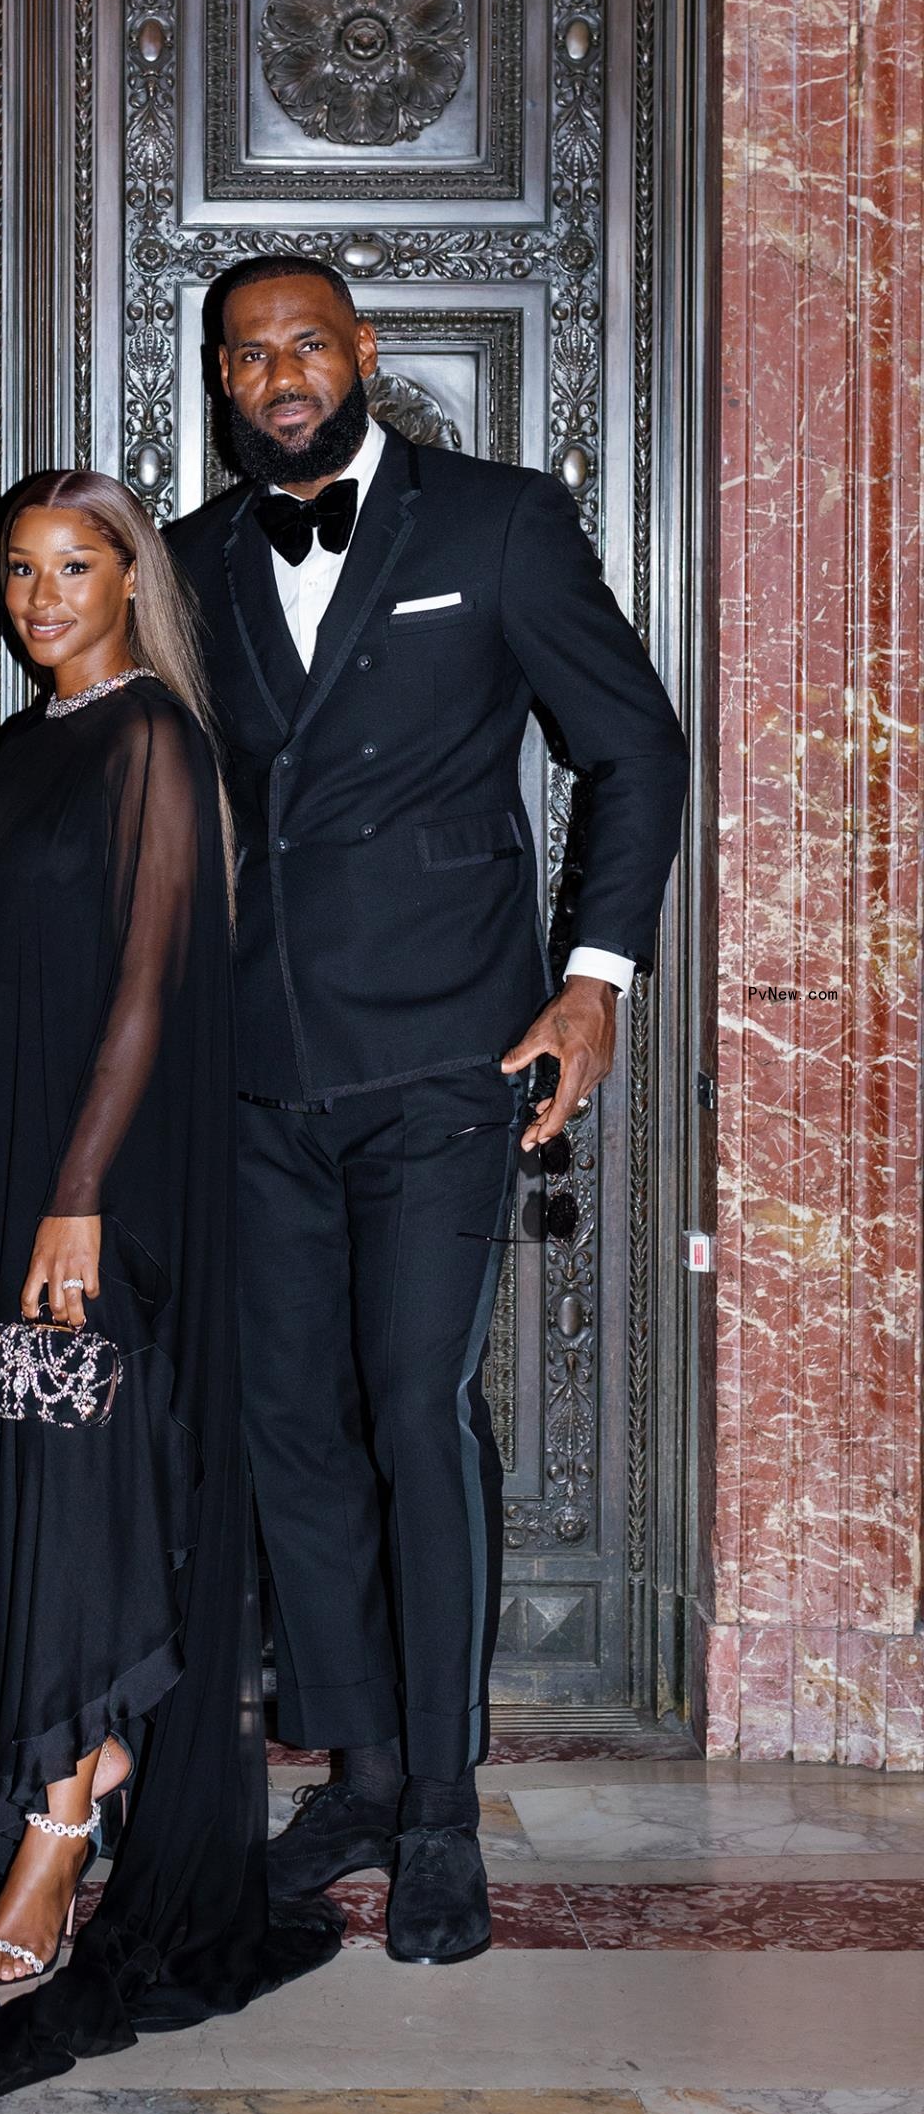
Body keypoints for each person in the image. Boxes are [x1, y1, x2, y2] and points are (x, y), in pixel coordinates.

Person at [167, 255, 688, 1969]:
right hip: (252, 1067)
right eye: (249, 356)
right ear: (225, 381)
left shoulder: (500, 525)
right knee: (292, 1432)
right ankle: (363, 1768)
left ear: (363, 354)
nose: (280, 375)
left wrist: (594, 977)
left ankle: (448, 1812)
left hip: (449, 1062)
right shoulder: (192, 562)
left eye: (307, 343)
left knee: (413, 1406)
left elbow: (633, 748)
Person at [0, 470, 342, 2114]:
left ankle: (62, 1825)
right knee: (26, 1472)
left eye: (75, 566)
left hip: (103, 1189)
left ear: (132, 579)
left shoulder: (155, 741)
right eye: (19, 569)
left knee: (84, 1486)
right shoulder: (31, 743)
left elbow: (150, 991)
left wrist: (73, 1199)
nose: (41, 594)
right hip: (3, 1184)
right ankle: (70, 1761)